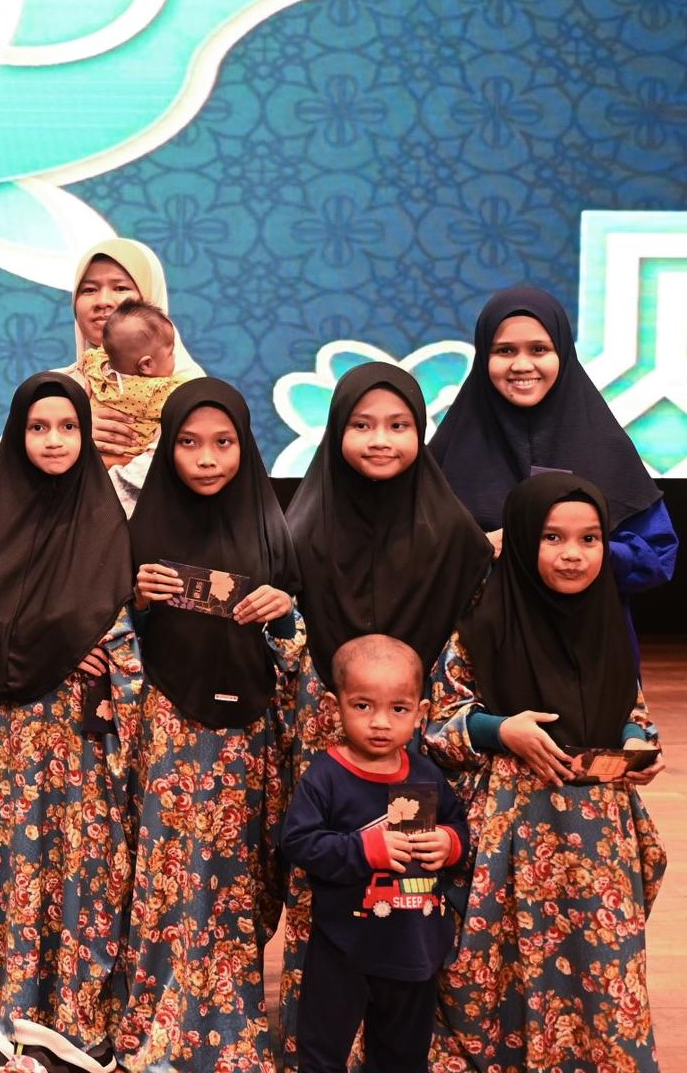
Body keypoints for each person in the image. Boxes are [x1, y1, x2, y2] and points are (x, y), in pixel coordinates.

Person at [273, 362, 490, 1068]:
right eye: (362, 424)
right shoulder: (299, 529)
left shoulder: (453, 532)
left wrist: (415, 711)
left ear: (421, 433)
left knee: (410, 896)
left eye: (399, 426)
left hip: (418, 735)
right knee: (328, 896)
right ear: (335, 430)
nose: (380, 439)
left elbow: (467, 643)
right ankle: (321, 1040)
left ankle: (405, 1040)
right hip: (327, 729)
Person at [426, 474, 666, 1071]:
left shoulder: (608, 625)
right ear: (522, 539)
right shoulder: (482, 624)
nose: (572, 554)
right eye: (553, 537)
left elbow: (631, 709)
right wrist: (501, 729)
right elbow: (438, 723)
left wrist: (638, 742)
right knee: (502, 962)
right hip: (512, 832)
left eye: (590, 539)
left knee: (602, 961)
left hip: (599, 838)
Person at [112, 379, 301, 1070]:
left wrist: (285, 614)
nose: (207, 458)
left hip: (247, 738)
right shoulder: (139, 532)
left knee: (236, 878)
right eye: (189, 442)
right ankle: (158, 1021)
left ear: (245, 446)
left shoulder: (273, 531)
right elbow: (112, 642)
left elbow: (296, 655)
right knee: (166, 878)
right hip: (167, 729)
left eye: (224, 442)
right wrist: (135, 601)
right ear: (168, 447)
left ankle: (229, 1019)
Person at [0, 373, 135, 1071]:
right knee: (5, 866)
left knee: (78, 867)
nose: (54, 441)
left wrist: (99, 649)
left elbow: (121, 625)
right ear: (17, 436)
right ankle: (1, 1015)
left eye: (67, 427)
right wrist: (56, 644)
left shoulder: (107, 522)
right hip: (5, 729)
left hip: (76, 735)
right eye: (38, 428)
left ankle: (72, 1020)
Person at [279, 634, 469, 1073]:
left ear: (420, 713)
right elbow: (300, 842)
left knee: (402, 1057)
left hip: (413, 948)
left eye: (398, 709)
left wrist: (449, 843)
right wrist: (366, 849)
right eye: (363, 706)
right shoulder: (325, 777)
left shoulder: (425, 774)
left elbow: (459, 826)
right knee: (322, 1055)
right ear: (334, 707)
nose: (380, 723)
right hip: (342, 949)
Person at [430, 285, 676, 608]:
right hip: (478, 631)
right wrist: (481, 547)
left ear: (562, 352)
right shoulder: (448, 451)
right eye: (505, 351)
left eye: (538, 349)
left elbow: (658, 553)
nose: (521, 365)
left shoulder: (606, 445)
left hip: (582, 629)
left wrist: (579, 549)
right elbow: (411, 555)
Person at [0, 239, 204, 512]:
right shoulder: (56, 386)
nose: (103, 301)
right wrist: (71, 429)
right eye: (89, 290)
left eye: (120, 288)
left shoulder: (188, 392)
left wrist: (64, 485)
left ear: (150, 297)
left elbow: (173, 480)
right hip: (62, 535)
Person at [82, 300, 182, 462]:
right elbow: (188, 398)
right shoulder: (156, 392)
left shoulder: (96, 367)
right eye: (170, 353)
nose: (175, 357)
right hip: (128, 459)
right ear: (146, 365)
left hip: (89, 457)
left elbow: (93, 356)